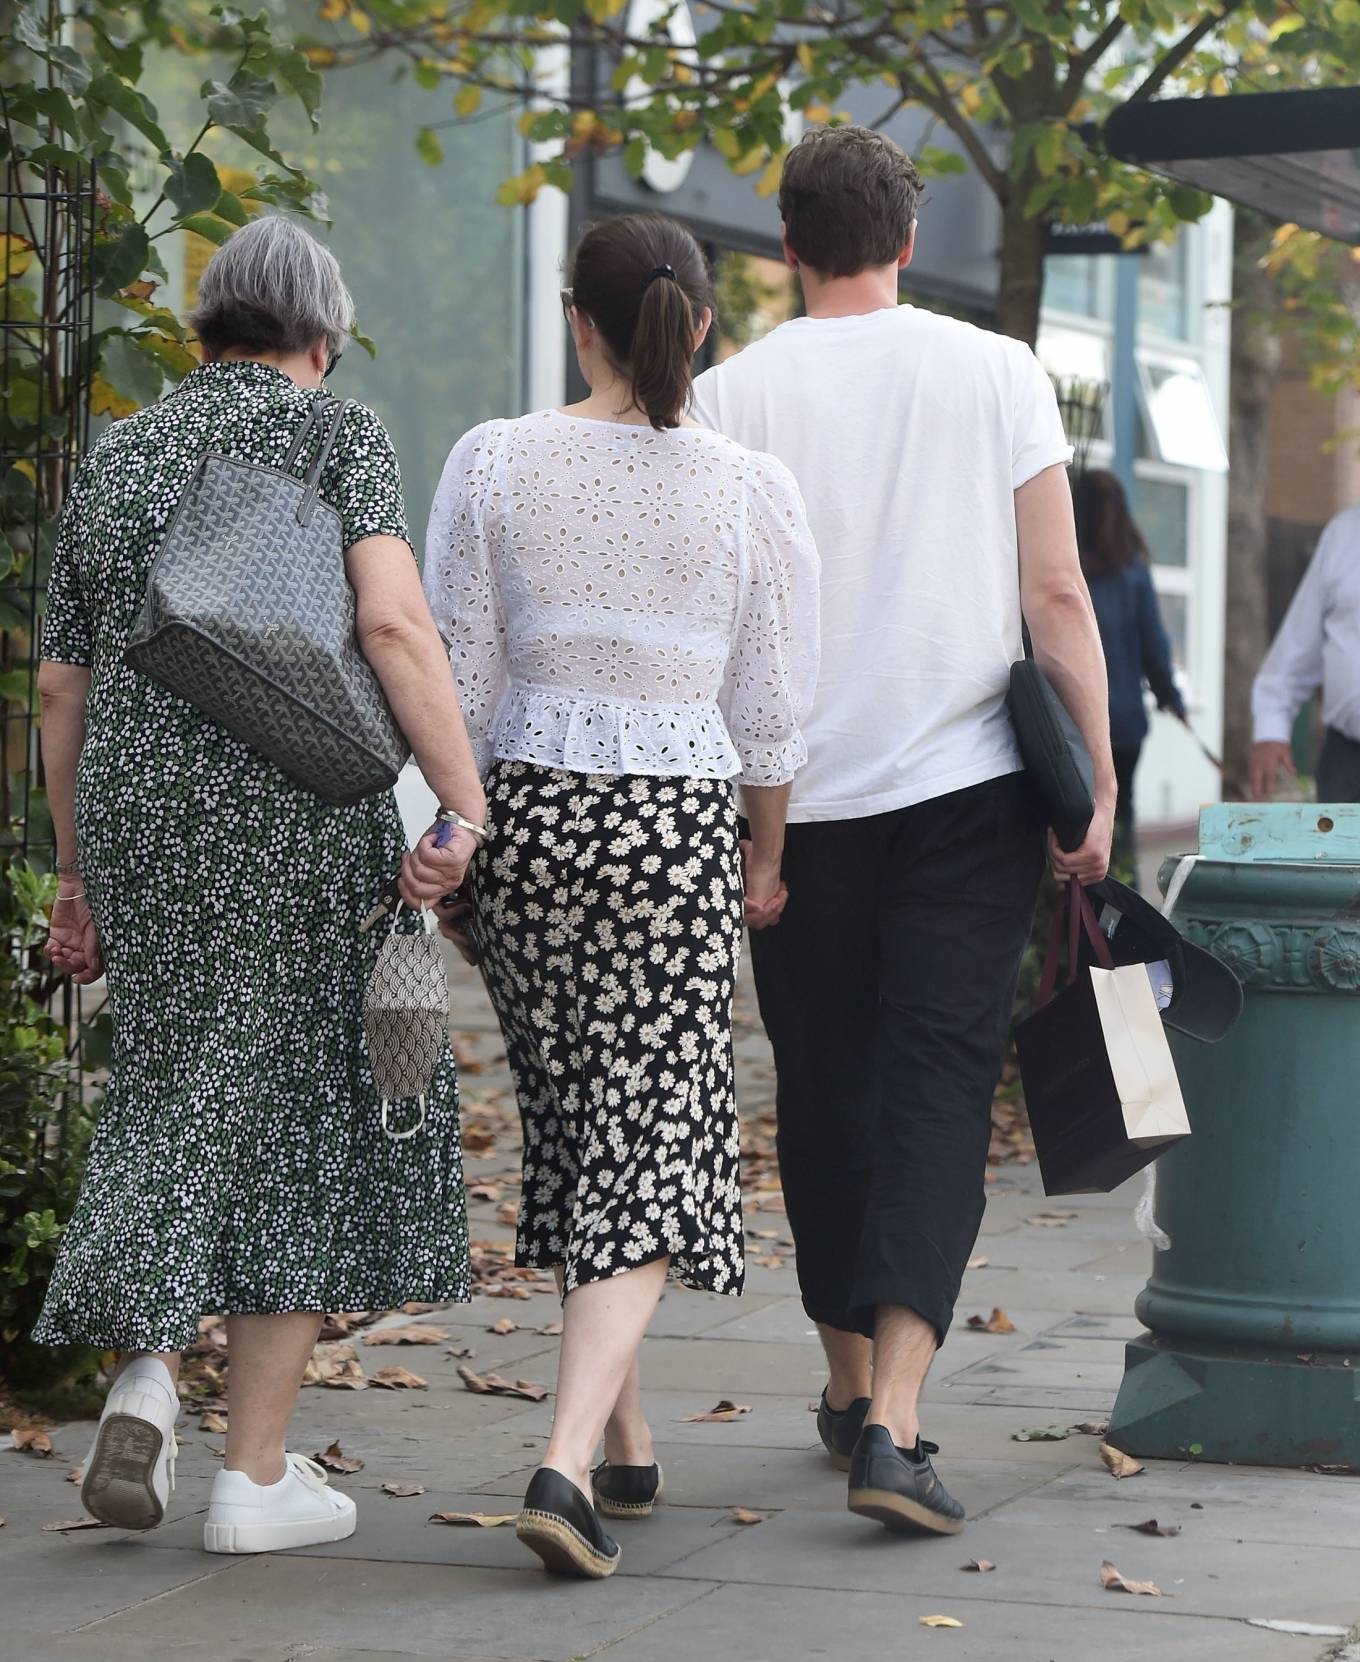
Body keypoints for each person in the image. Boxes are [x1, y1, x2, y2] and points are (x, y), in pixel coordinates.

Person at [36, 216, 485, 1556]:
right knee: (296, 1104)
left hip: (142, 805)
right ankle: (255, 1475)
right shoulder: (335, 433)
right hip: (298, 804)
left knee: (174, 1077)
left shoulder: (121, 457)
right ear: (322, 333)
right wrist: (462, 800)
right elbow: (394, 623)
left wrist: (75, 867)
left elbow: (60, 684)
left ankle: (148, 1369)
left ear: (206, 325)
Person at [692, 126, 1114, 1537]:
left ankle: (846, 1374)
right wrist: (1096, 783)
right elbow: (1057, 596)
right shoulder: (998, 371)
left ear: (789, 246)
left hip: (793, 806)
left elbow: (724, 612)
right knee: (937, 1086)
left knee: (823, 1085)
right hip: (970, 795)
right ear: (910, 240)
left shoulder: (729, 394)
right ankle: (897, 1421)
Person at [424, 211, 819, 1579]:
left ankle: (630, 1437)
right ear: (698, 323)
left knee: (583, 1119)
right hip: (671, 824)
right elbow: (768, 708)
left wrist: (456, 836)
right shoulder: (745, 485)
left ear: (576, 320)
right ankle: (565, 1458)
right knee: (650, 1135)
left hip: (528, 817)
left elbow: (457, 678)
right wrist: (766, 855)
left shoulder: (494, 459)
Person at [1073, 468, 1186, 861]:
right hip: (1125, 723)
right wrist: (1170, 697)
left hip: (1073, 723)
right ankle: (1122, 907)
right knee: (1119, 818)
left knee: (1074, 822)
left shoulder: (1068, 572)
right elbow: (1153, 645)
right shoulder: (1133, 571)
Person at [1250, 504, 1360, 802]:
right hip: (1349, 763)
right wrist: (1270, 729)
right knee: (1335, 850)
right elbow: (1299, 642)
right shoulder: (1344, 534)